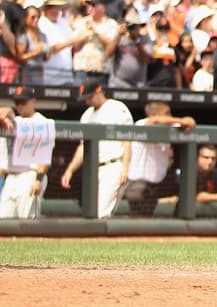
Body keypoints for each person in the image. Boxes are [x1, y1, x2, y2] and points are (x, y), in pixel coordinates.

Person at [60, 75, 135, 218]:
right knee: (92, 214)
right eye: (85, 98)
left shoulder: (117, 108)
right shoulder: (86, 115)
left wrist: (125, 169)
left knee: (102, 213)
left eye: (90, 97)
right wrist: (70, 170)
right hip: (93, 171)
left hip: (114, 166)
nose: (87, 101)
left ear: (99, 90)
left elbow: (127, 141)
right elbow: (83, 146)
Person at [122, 100, 196, 216]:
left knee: (184, 192)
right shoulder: (141, 123)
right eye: (166, 113)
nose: (170, 117)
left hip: (159, 183)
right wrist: (181, 120)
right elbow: (154, 121)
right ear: (153, 114)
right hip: (139, 184)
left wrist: (187, 122)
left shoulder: (169, 127)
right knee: (139, 218)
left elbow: (189, 123)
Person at [0, 89, 50, 219]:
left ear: (33, 101)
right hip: (11, 177)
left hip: (30, 175)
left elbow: (44, 155)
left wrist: (38, 180)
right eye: (17, 103)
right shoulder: (11, 122)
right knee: (3, 220)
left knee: (28, 221)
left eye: (23, 102)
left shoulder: (42, 121)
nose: (20, 106)